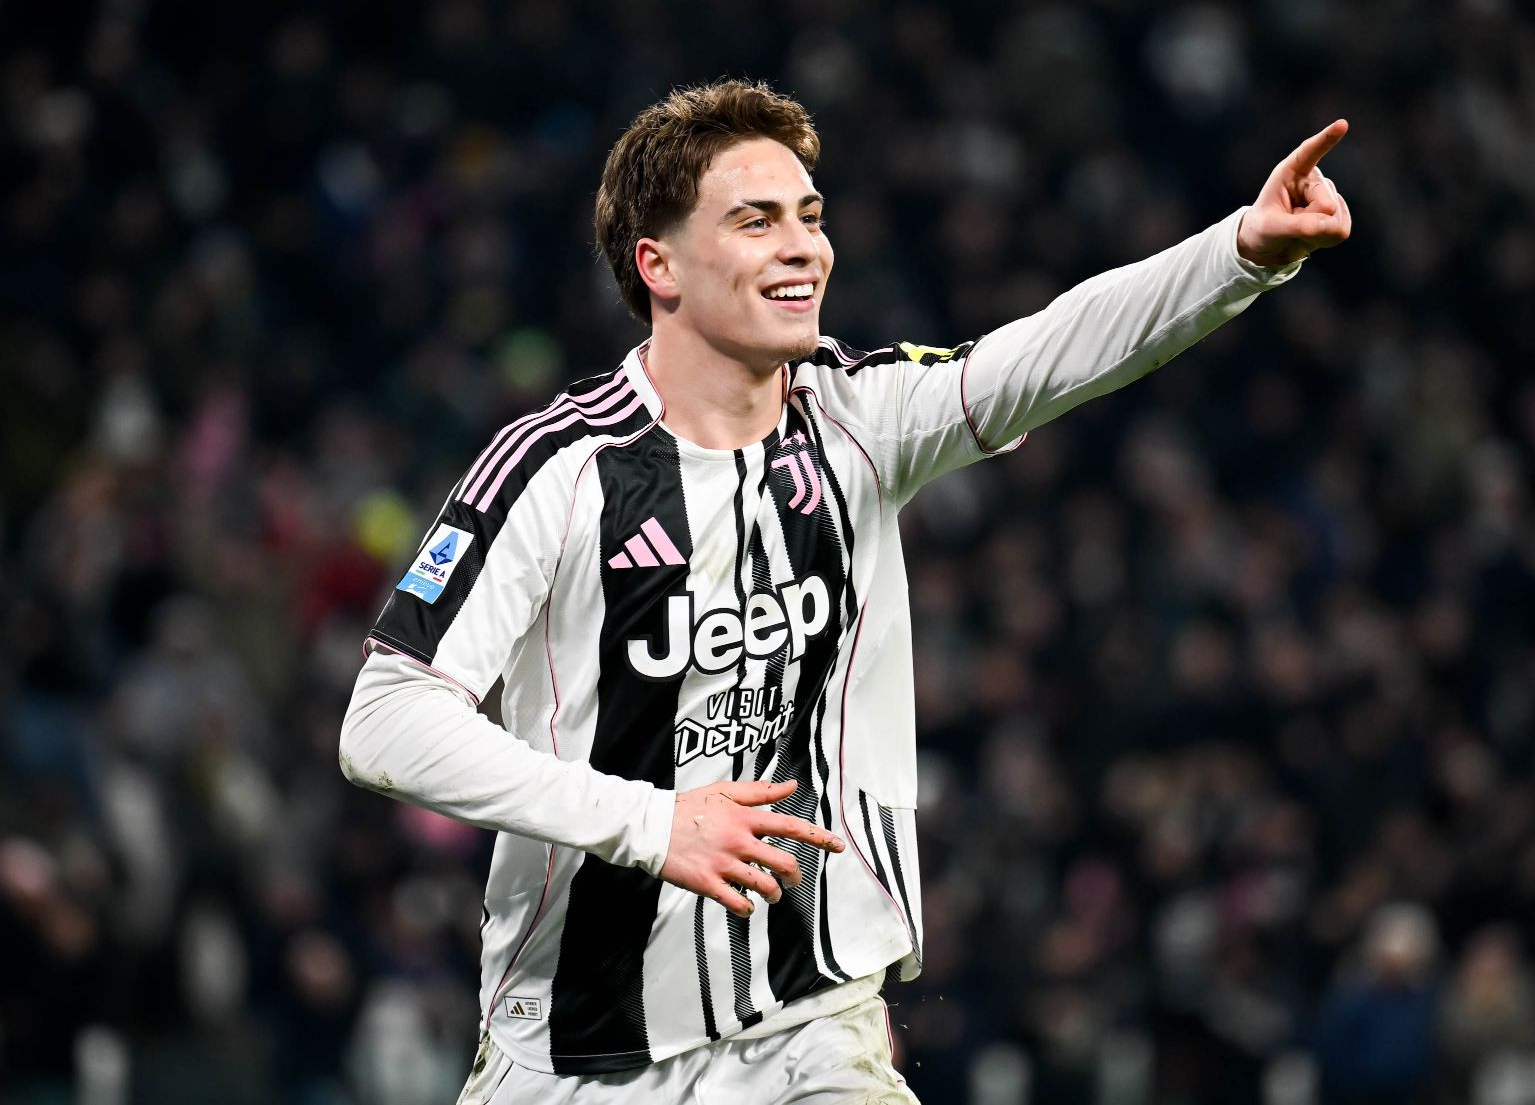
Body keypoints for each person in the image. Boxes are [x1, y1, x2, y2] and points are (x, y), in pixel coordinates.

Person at [339, 78, 1350, 1103]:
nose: (802, 248)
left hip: (809, 1024)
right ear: (659, 266)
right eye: (755, 222)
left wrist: (1239, 252)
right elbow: (385, 721)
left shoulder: (860, 419)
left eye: (809, 217)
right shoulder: (556, 469)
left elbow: (1049, 351)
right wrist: (653, 823)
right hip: (580, 1050)